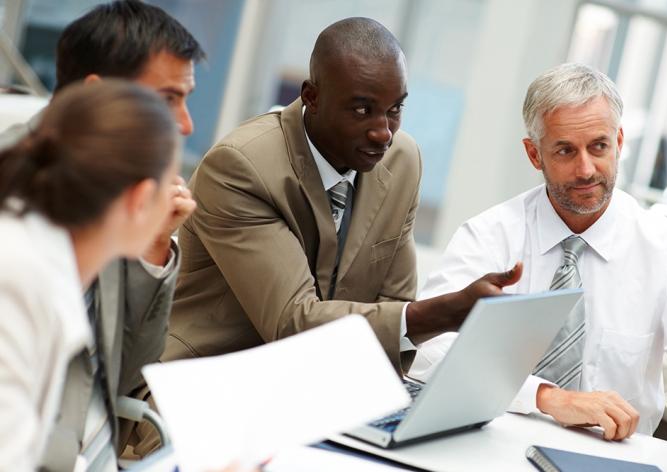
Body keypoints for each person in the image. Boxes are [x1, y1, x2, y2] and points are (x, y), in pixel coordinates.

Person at [128, 16, 520, 455]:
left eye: (395, 109)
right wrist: (441, 314)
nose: (383, 132)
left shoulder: (401, 159)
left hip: (321, 397)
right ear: (311, 97)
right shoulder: (241, 166)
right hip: (199, 394)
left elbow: (392, 299)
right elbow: (293, 321)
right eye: (362, 109)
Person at [411, 63, 667, 440]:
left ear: (619, 142)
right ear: (534, 154)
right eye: (565, 150)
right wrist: (547, 397)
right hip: (492, 448)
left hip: (612, 459)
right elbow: (427, 353)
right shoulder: (490, 236)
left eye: (599, 146)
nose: (585, 170)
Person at [0, 1, 205, 469]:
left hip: (96, 448)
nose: (186, 125)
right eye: (168, 98)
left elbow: (125, 377)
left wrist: (152, 245)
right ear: (98, 97)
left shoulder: (104, 196)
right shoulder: (22, 236)